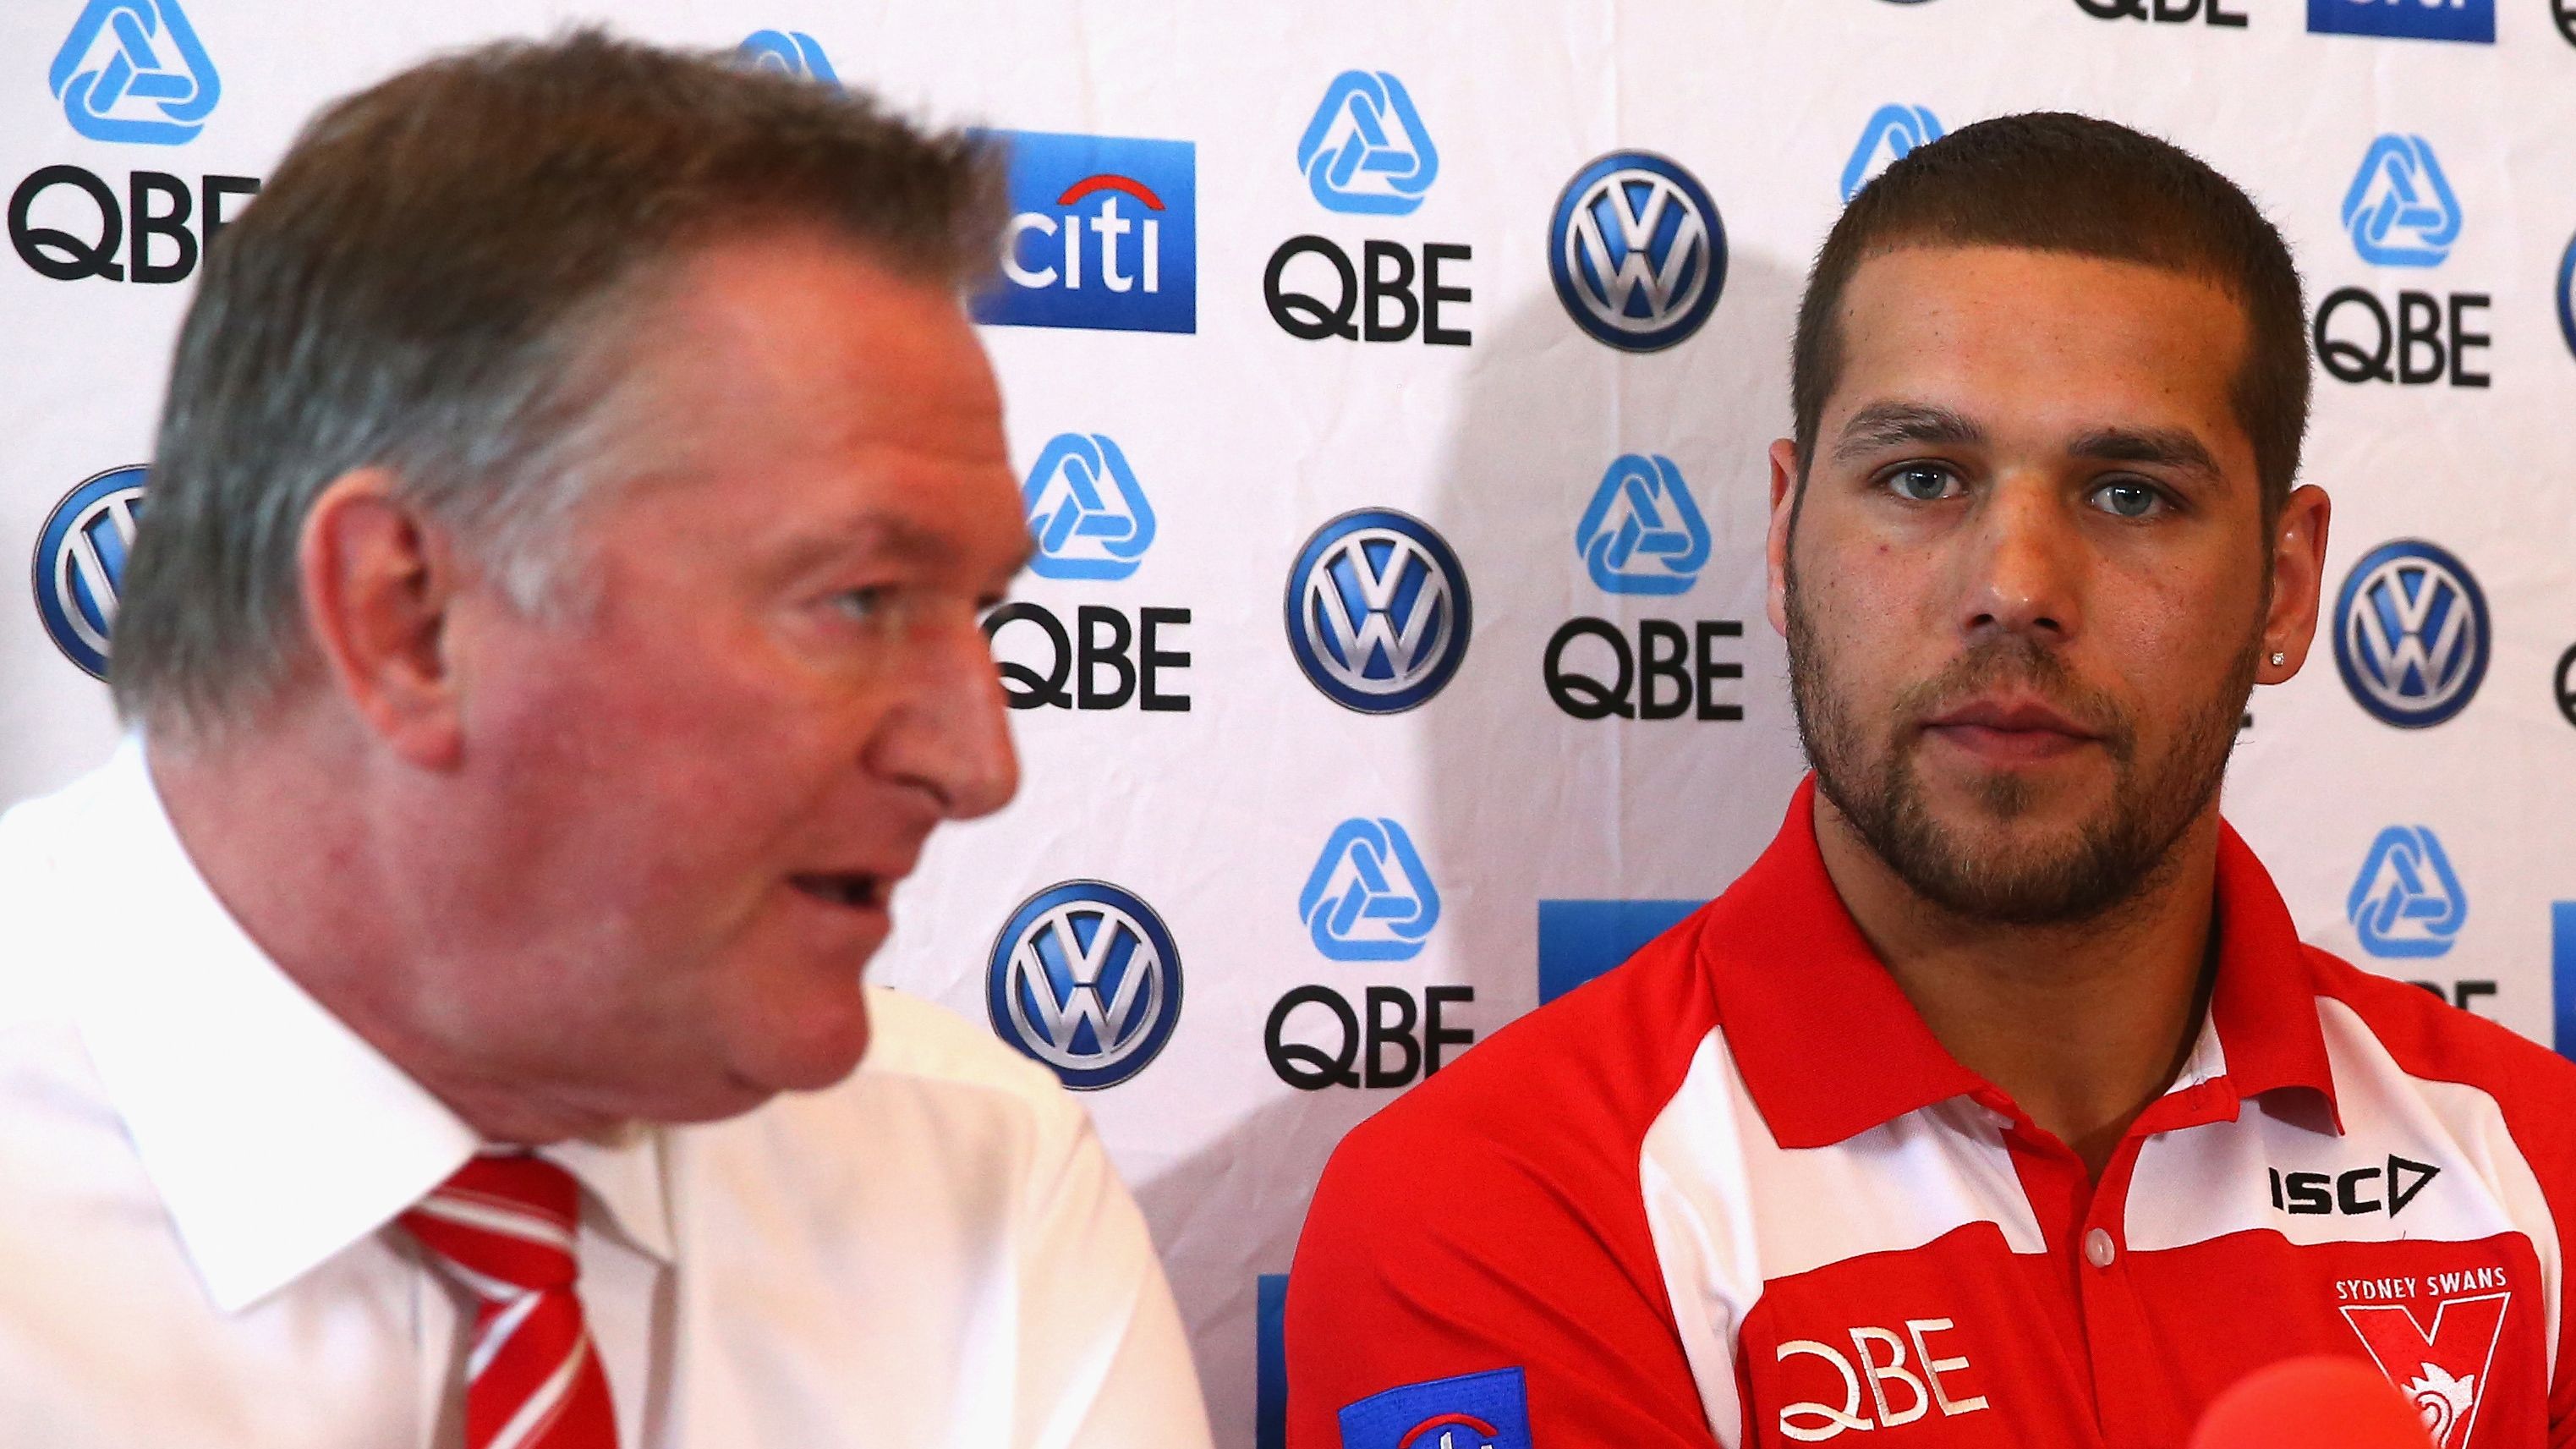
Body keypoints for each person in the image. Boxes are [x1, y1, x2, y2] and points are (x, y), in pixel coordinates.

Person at [1285, 113, 2576, 1448]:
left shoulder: (2537, 1167)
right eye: (1920, 477)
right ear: (1785, 540)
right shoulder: (1502, 1205)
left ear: (2287, 589)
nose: (2013, 589)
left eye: (2128, 494)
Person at [0, 32, 1212, 1449]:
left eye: (981, 610)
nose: (979, 762)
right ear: (409, 616)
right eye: (859, 600)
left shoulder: (979, 1181)